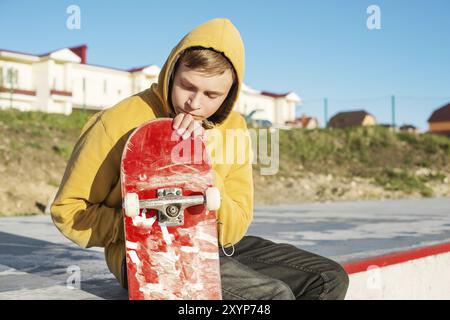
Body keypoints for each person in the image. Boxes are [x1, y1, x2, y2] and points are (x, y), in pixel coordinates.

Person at [51, 18, 349, 300]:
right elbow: (69, 211)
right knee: (273, 296)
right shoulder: (119, 121)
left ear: (230, 92)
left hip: (215, 244)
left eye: (211, 94)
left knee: (328, 278)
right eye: (187, 86)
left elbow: (237, 225)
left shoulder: (234, 127)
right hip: (148, 254)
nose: (195, 103)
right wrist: (137, 225)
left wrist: (201, 165)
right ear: (171, 71)